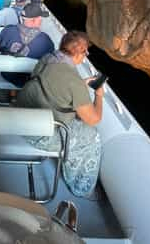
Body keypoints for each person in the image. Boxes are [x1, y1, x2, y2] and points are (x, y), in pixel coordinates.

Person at [16, 31, 103, 198]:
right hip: (39, 135)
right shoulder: (73, 80)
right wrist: (99, 95)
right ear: (80, 52)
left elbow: (51, 85)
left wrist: (80, 86)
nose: (85, 56)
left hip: (23, 118)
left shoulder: (48, 58)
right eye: (86, 52)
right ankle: (80, 187)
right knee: (92, 137)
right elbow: (94, 119)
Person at [0, 2, 55, 86]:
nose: (41, 20)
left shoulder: (7, 30)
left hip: (7, 74)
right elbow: (49, 61)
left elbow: (0, 47)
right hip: (30, 80)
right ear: (34, 20)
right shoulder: (46, 40)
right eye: (40, 18)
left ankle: (12, 95)